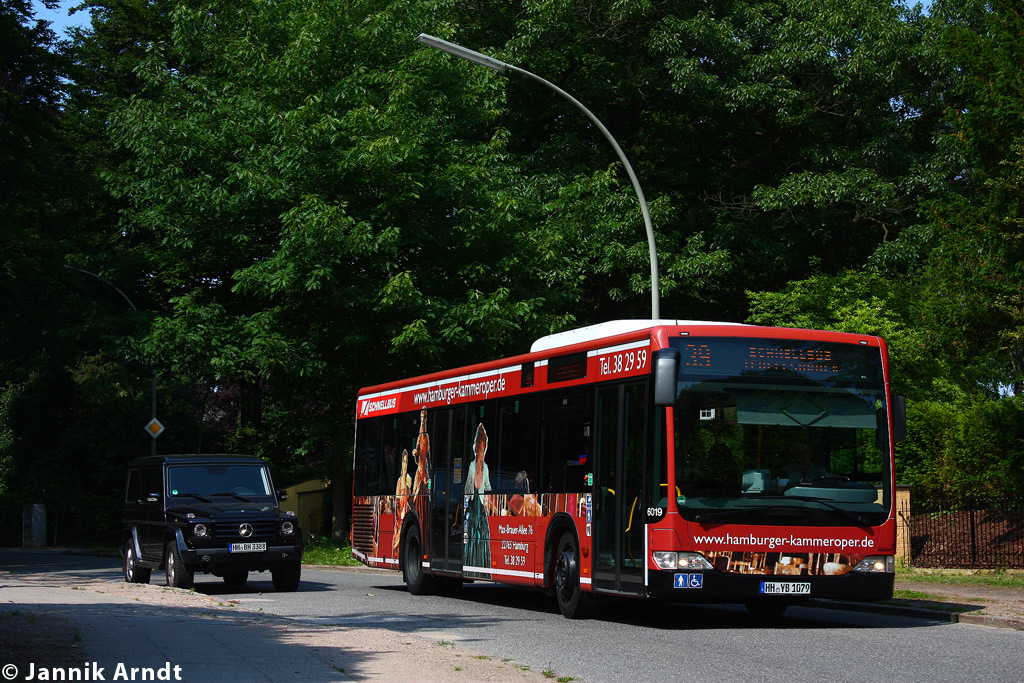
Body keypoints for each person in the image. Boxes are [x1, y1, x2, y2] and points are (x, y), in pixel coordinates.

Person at [464, 423, 492, 577]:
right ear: (474, 450)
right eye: (477, 449)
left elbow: (488, 487)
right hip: (472, 510)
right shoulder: (471, 467)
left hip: (481, 511)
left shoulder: (486, 468)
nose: (479, 453)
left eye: (482, 450)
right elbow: (467, 489)